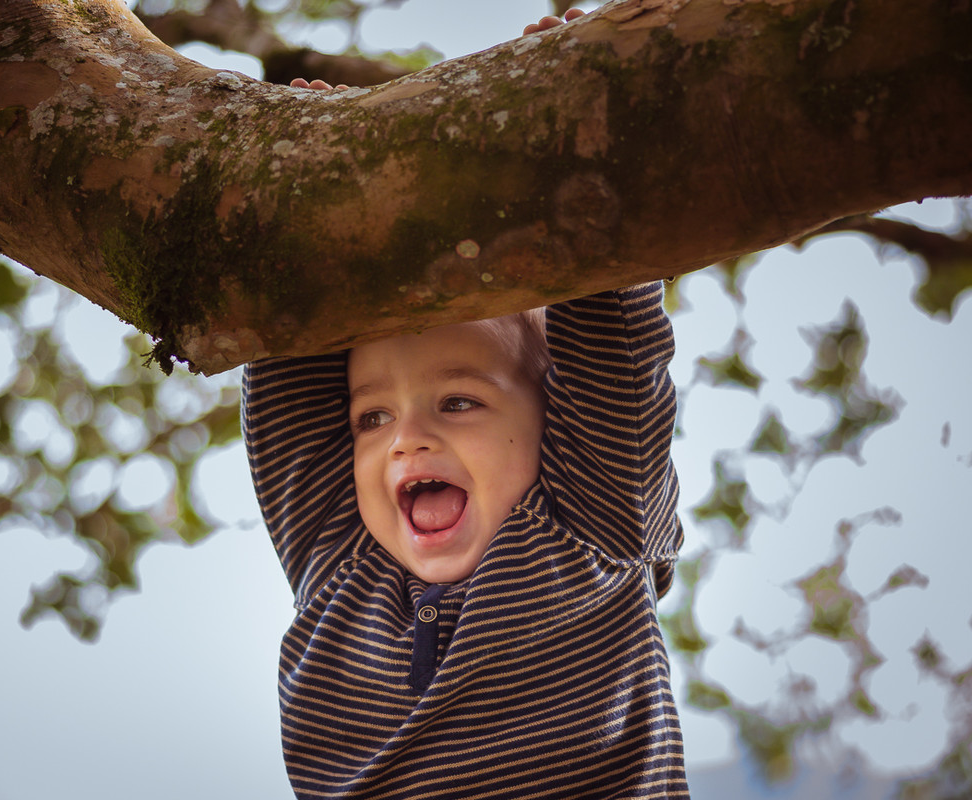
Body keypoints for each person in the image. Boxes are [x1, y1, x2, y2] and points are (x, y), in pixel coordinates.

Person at [243, 9, 687, 799]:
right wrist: (306, 183)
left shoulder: (593, 526)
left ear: (553, 419)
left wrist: (568, 119)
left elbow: (614, 348)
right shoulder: (337, 563)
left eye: (458, 401)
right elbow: (286, 348)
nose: (404, 440)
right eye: (371, 416)